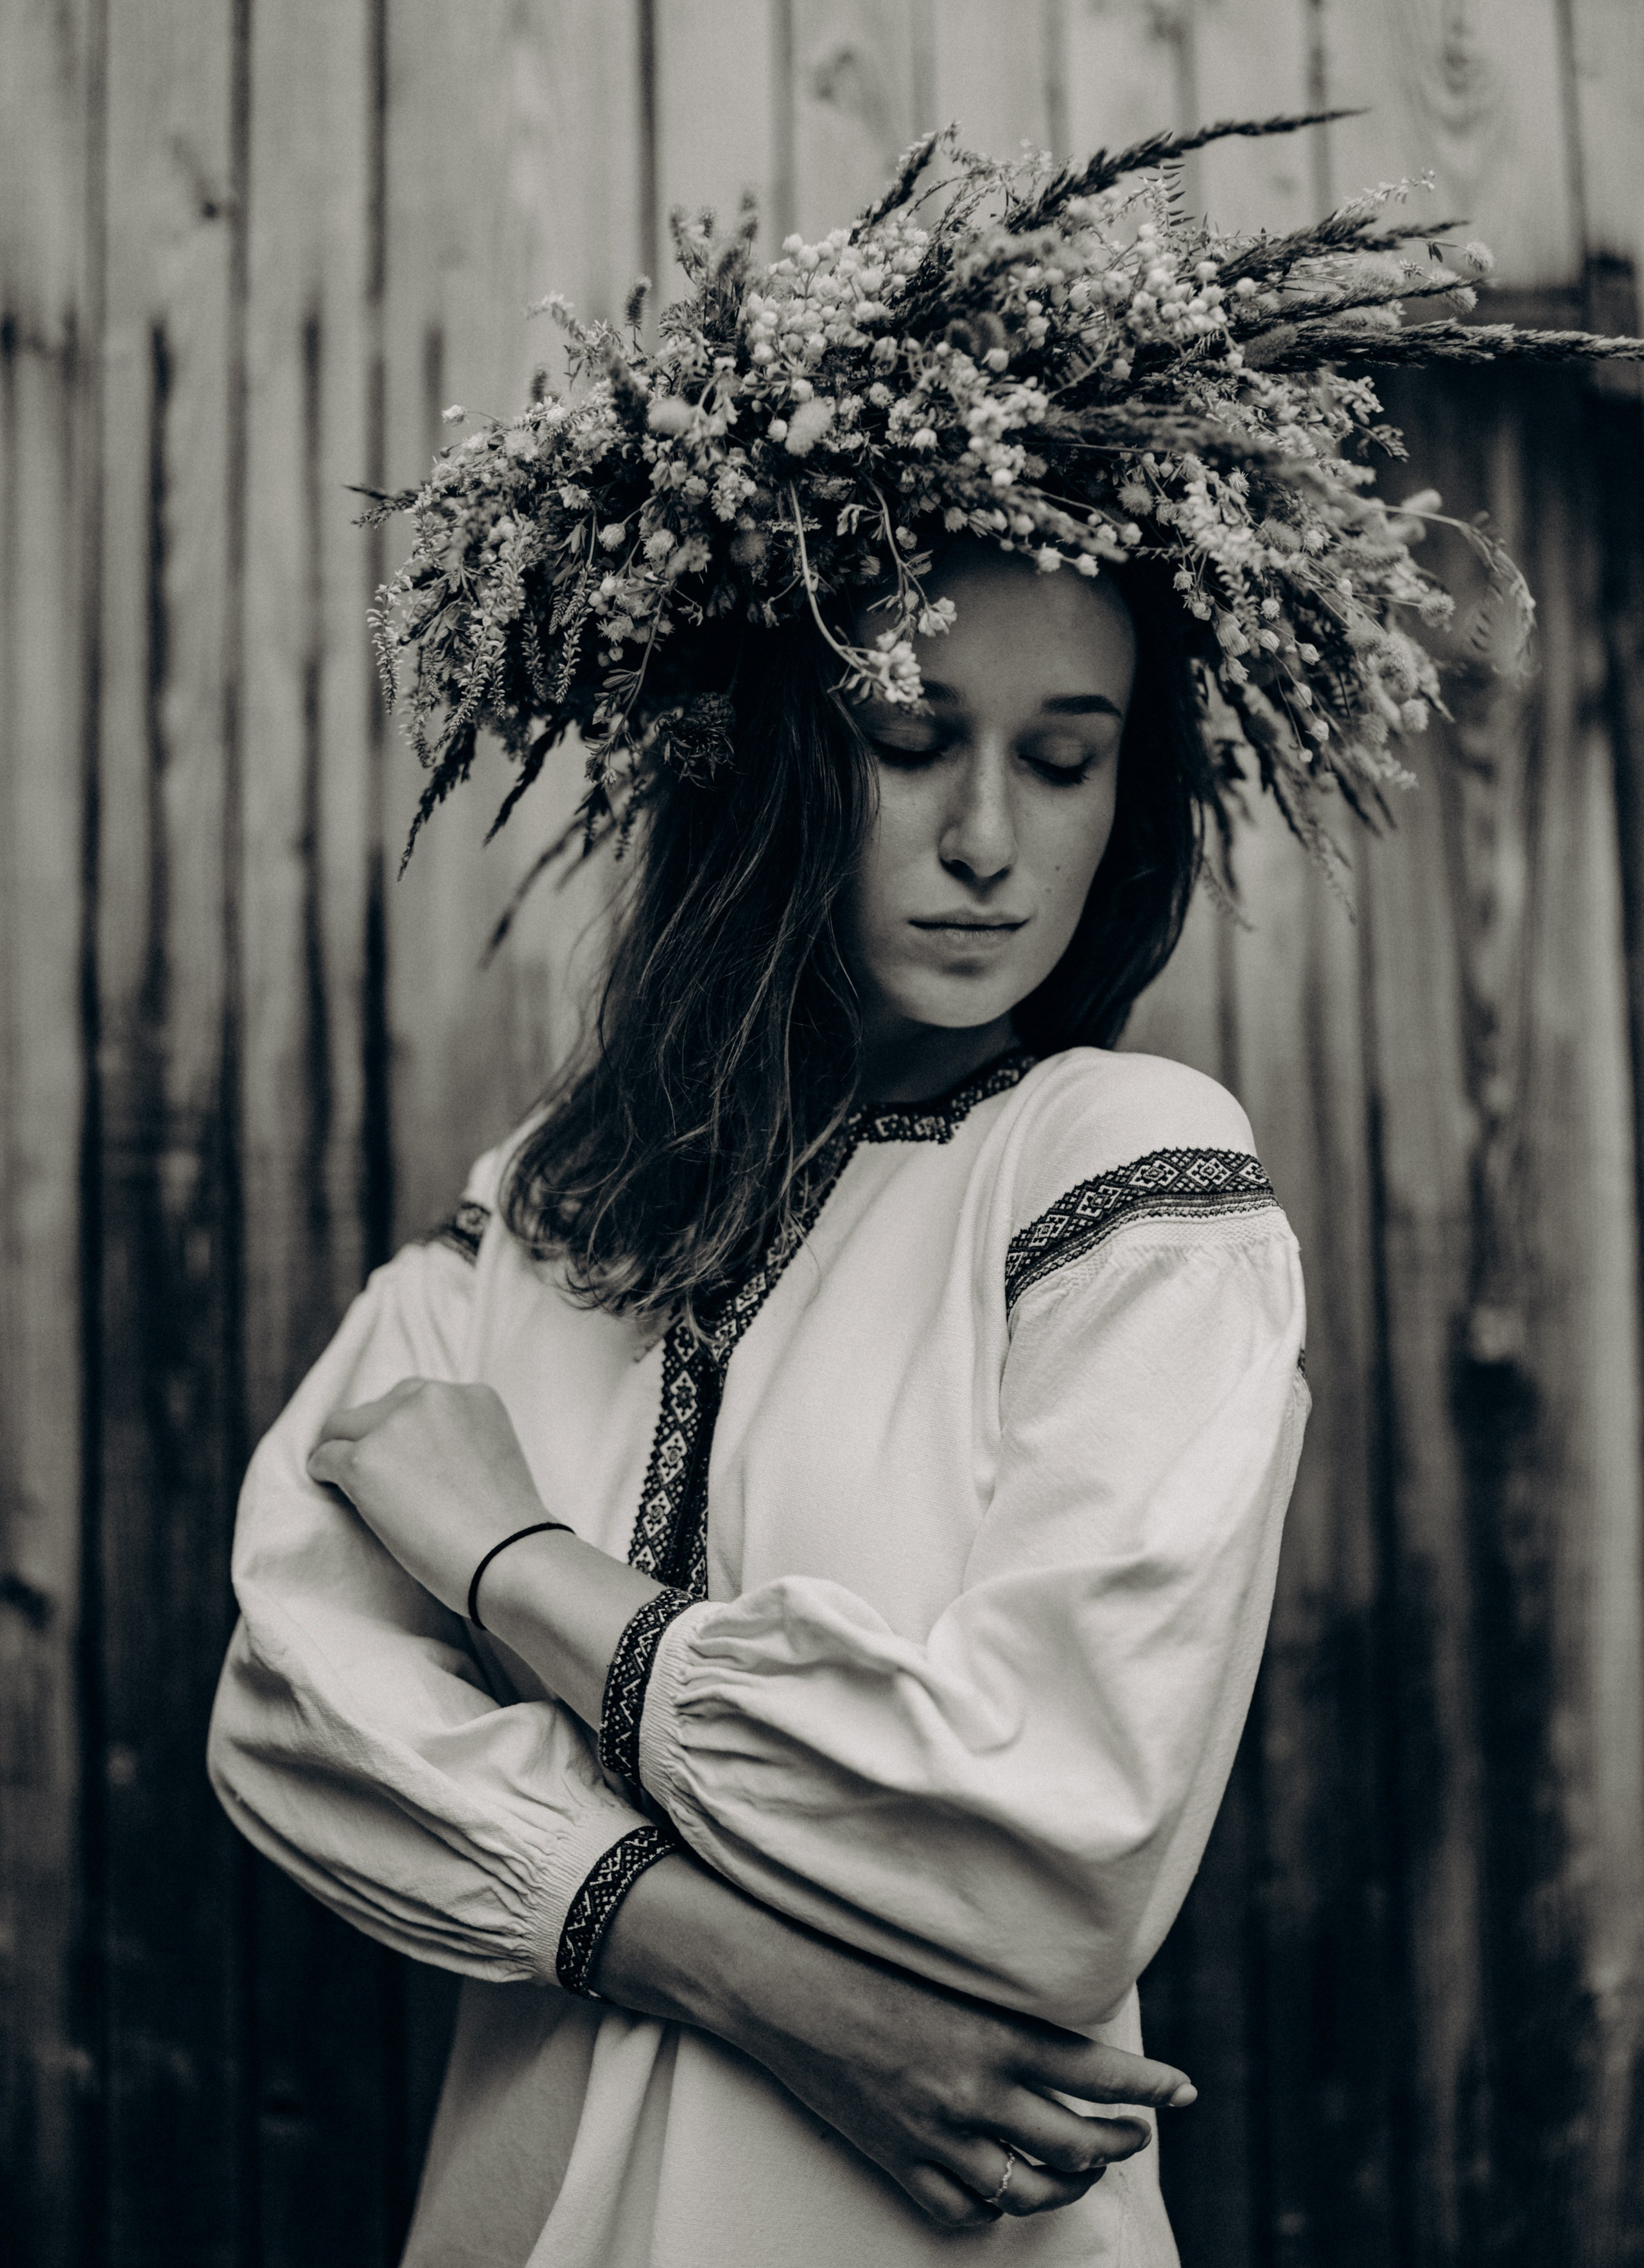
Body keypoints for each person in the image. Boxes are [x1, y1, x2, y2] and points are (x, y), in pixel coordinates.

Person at [209, 119, 1640, 2267]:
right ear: (766, 746)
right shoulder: (546, 1213)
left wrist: (511, 1567)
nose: (990, 834)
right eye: (907, 739)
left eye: (1063, 757)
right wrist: (749, 1970)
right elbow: (290, 1703)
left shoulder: (1127, 1179)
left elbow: (1046, 1838)